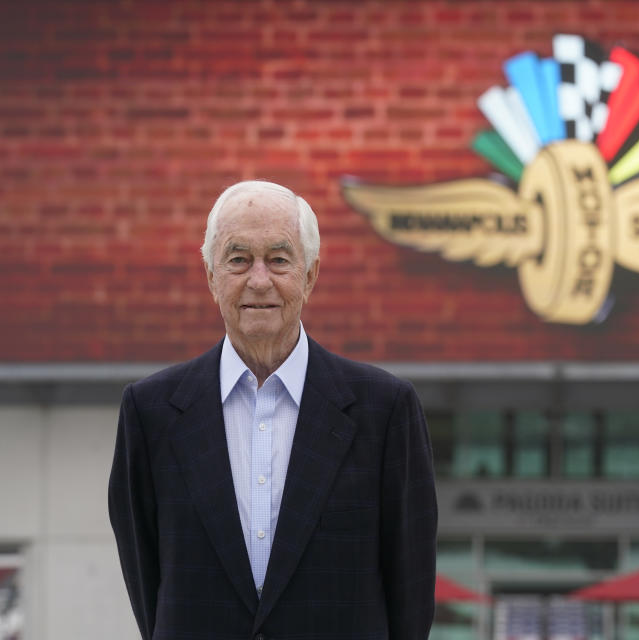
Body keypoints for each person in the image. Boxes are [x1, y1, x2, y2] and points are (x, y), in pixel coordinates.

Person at [108, 180, 437, 640]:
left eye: (279, 260)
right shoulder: (150, 413)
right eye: (238, 259)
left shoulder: (385, 412)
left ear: (310, 275)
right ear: (210, 275)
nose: (259, 280)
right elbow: (148, 585)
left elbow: (412, 587)